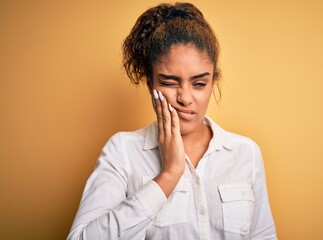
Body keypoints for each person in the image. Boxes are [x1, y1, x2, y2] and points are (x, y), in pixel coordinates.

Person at [67, 2, 277, 240]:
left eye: (199, 84)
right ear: (150, 84)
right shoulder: (123, 151)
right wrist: (168, 175)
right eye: (169, 83)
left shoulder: (245, 153)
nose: (185, 98)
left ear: (212, 83)